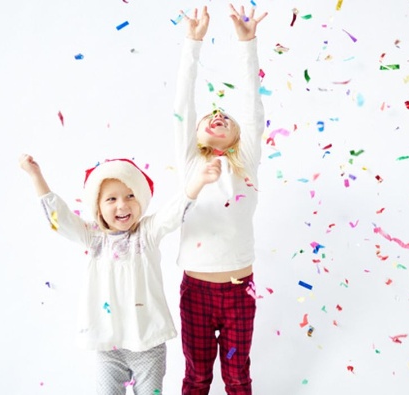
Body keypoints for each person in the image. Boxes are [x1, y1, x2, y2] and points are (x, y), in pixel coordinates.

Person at [19, 153, 221, 395]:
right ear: (98, 208)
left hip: (149, 345)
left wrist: (198, 181)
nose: (122, 205)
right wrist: (36, 176)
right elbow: (59, 219)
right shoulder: (93, 237)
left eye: (130, 196)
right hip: (109, 348)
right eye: (111, 199)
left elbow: (174, 212)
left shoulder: (147, 232)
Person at [173, 4, 267, 395]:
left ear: (237, 137)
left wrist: (248, 44)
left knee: (237, 377)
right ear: (195, 133)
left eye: (225, 117)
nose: (218, 115)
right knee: (196, 377)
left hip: (238, 289)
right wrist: (192, 43)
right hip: (195, 289)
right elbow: (183, 105)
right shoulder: (190, 160)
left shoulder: (244, 163)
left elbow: (251, 107)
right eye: (210, 115)